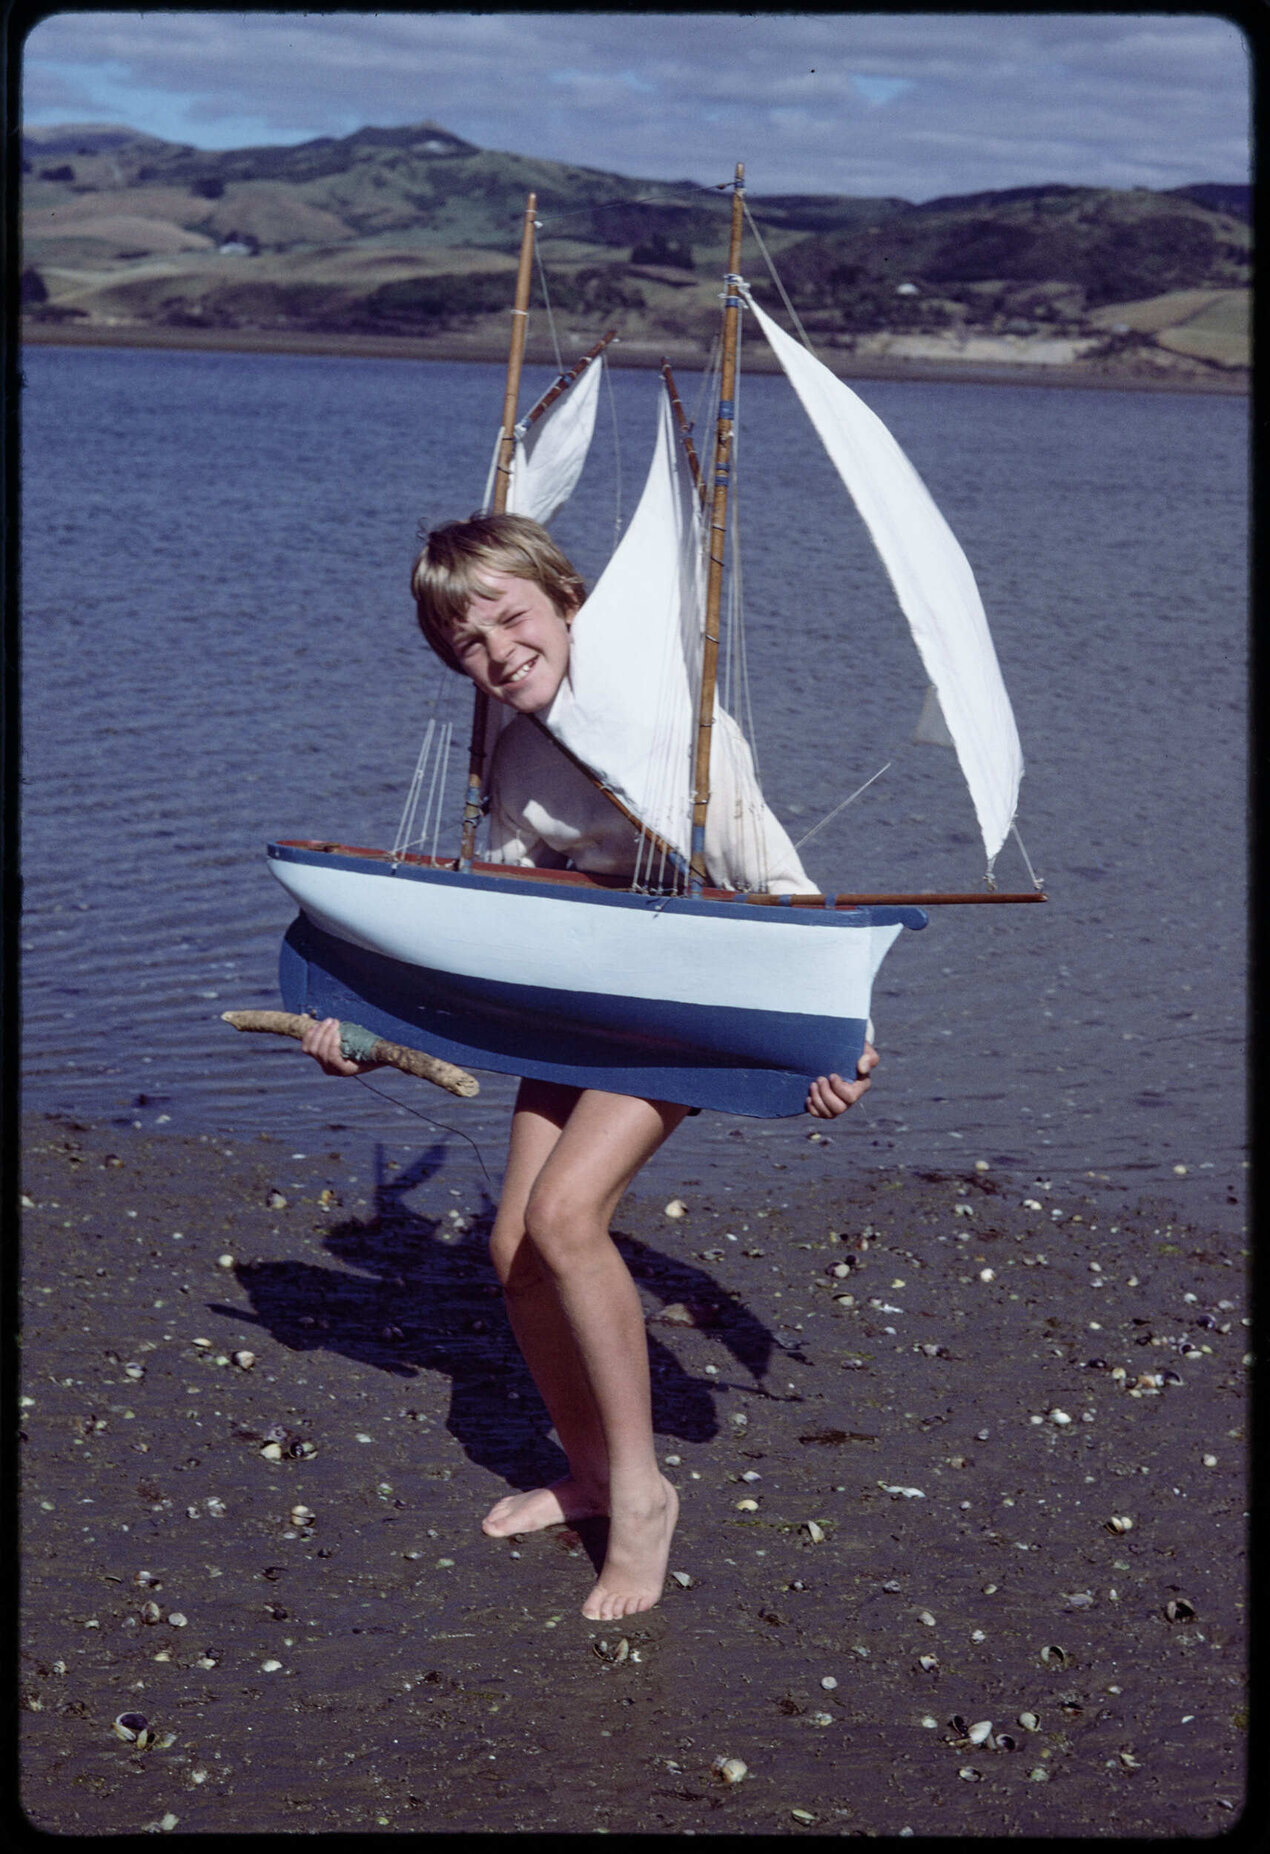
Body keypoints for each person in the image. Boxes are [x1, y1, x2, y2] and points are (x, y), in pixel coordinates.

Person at [302, 513, 878, 1621]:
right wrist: (366, 1033)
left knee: (568, 1217)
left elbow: (788, 886)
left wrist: (842, 1042)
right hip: (578, 994)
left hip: (685, 993)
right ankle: (593, 1475)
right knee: (515, 1246)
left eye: (512, 619)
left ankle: (647, 1497)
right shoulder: (509, 744)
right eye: (465, 645)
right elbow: (497, 938)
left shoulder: (676, 725)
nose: (497, 653)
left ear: (565, 601)